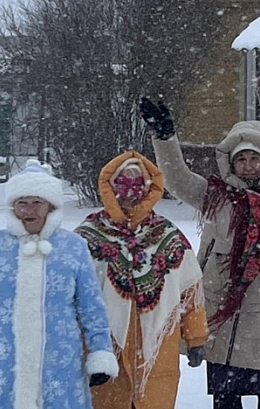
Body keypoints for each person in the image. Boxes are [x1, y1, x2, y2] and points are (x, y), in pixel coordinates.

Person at [139, 98, 260, 409]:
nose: (248, 166)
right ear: (231, 163)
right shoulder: (216, 198)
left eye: (254, 159)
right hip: (224, 322)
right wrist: (165, 137)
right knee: (226, 401)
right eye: (241, 159)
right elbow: (176, 179)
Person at [0, 159, 118, 409]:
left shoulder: (73, 247)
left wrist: (100, 351)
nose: (29, 210)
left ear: (51, 206)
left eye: (37, 202)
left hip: (60, 363)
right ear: (13, 207)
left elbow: (91, 307)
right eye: (22, 203)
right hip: (5, 361)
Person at [75, 150, 209, 409]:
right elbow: (68, 294)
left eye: (137, 184)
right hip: (103, 349)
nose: (129, 193)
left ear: (149, 189)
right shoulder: (87, 236)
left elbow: (190, 290)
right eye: (122, 184)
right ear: (110, 187)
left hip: (159, 349)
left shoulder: (168, 235)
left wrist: (196, 337)